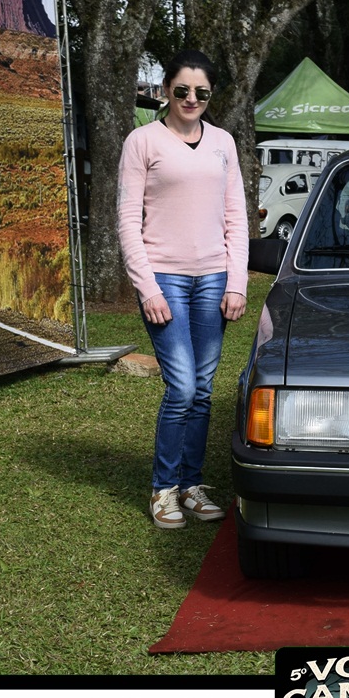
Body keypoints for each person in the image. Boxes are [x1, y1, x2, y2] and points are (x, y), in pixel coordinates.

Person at [118, 49, 249, 529]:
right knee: (183, 387)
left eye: (201, 92)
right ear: (165, 90)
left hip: (214, 279)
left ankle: (192, 486)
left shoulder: (223, 143)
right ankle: (164, 489)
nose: (191, 99)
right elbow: (127, 221)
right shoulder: (142, 141)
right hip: (165, 279)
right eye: (182, 90)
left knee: (204, 390)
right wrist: (148, 288)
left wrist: (237, 282)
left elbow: (236, 217)